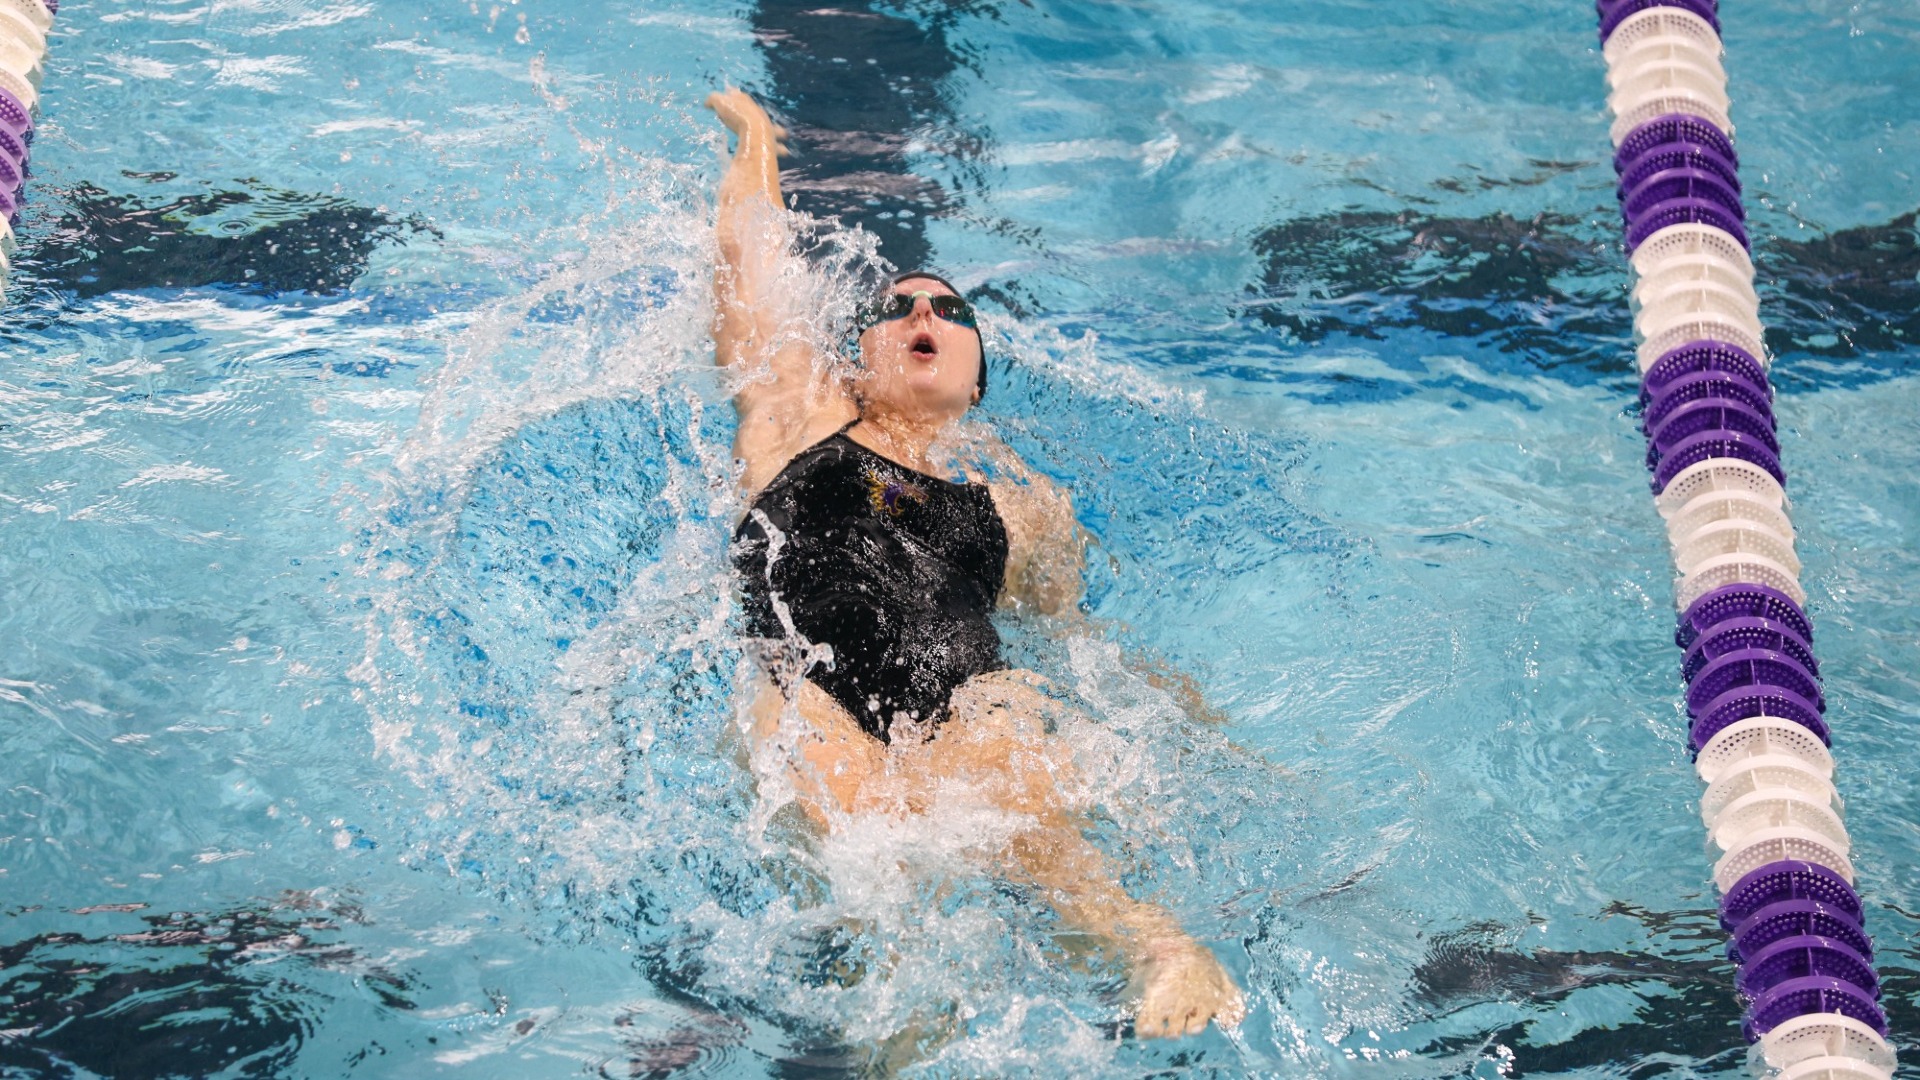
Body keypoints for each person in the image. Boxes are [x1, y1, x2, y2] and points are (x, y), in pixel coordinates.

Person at [706, 86, 1245, 1041]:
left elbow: (1072, 641)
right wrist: (758, 145)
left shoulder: (1028, 505)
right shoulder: (799, 411)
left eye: (949, 309)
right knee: (848, 838)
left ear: (977, 372)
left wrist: (1185, 715)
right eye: (897, 306)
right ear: (859, 350)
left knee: (1035, 816)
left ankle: (1161, 950)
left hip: (966, 694)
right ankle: (907, 1017)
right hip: (811, 691)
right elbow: (755, 269)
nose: (922, 310)